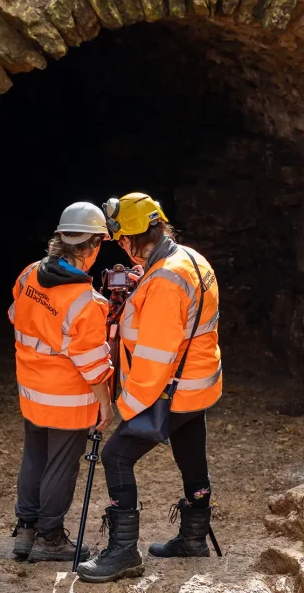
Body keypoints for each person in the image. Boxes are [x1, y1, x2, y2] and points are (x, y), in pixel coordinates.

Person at [77, 193, 222, 584]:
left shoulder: (163, 282)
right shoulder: (191, 260)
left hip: (172, 389)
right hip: (199, 384)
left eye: (121, 238)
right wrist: (142, 289)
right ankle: (193, 538)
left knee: (116, 457)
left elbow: (156, 357)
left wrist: (126, 406)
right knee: (192, 458)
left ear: (131, 238)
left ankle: (123, 553)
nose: (121, 246)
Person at [9, 202, 115, 563]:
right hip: (68, 398)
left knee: (34, 455)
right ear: (93, 246)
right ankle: (50, 538)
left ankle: (25, 531)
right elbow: (91, 362)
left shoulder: (27, 275)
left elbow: (15, 316)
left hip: (31, 387)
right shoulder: (87, 301)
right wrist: (106, 401)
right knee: (60, 465)